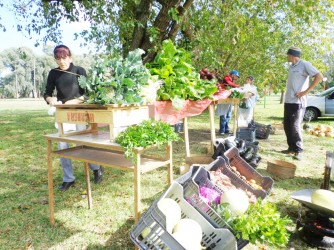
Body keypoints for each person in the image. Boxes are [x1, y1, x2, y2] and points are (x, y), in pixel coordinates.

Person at [44, 45, 104, 191]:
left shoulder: (79, 71)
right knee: (62, 146)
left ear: (70, 57)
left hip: (79, 113)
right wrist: (50, 100)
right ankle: (68, 179)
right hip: (62, 113)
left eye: (64, 58)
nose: (61, 61)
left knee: (82, 144)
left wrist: (76, 101)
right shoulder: (53, 73)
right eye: (58, 59)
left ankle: (96, 168)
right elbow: (47, 93)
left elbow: (89, 93)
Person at [283, 46, 323, 160]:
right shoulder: (291, 67)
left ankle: (299, 150)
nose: (287, 57)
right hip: (288, 100)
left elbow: (319, 76)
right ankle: (291, 148)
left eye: (288, 55)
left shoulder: (305, 64)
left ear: (292, 55)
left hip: (298, 102)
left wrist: (305, 92)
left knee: (295, 126)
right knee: (287, 125)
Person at [216, 70, 241, 135]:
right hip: (223, 98)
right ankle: (222, 130)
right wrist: (237, 86)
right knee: (223, 114)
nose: (236, 78)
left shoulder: (232, 81)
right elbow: (229, 83)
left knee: (228, 115)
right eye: (236, 76)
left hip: (229, 99)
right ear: (232, 75)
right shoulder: (227, 77)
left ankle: (226, 129)